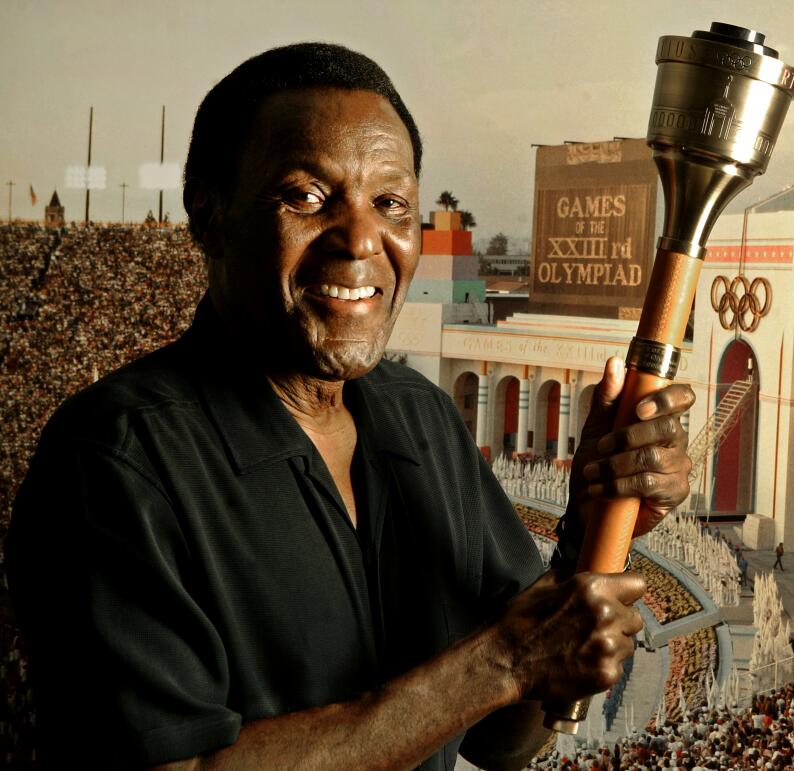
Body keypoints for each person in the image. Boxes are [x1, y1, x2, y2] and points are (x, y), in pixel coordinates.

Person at [4, 43, 694, 770]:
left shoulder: (423, 420)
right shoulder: (113, 462)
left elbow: (505, 737)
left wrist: (591, 527)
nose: (362, 238)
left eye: (390, 203)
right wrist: (501, 662)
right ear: (208, 216)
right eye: (306, 196)